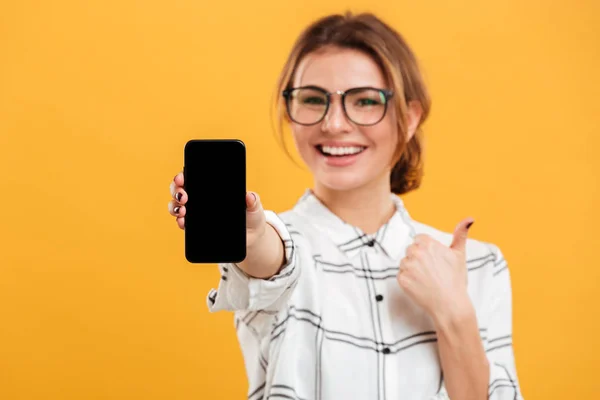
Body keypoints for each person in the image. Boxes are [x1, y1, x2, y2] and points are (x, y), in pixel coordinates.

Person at [168, 12, 523, 400]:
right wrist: (251, 235)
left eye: (365, 100)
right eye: (313, 99)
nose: (334, 124)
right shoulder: (282, 248)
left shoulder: (479, 265)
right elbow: (273, 264)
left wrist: (454, 312)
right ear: (290, 112)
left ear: (408, 117)